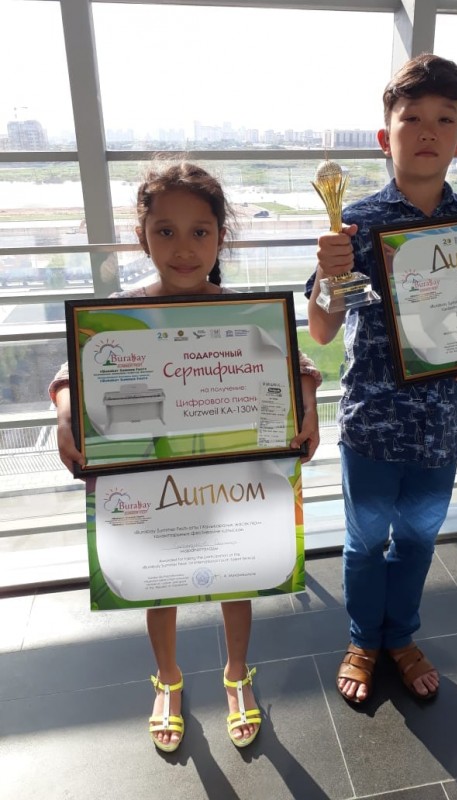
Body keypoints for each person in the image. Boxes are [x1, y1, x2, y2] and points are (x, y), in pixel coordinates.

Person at [50, 160, 322, 751]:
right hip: (155, 480)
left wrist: (307, 403)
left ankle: (236, 673)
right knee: (161, 584)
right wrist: (67, 414)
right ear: (141, 236)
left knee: (238, 573)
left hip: (232, 474)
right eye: (165, 231)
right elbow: (74, 370)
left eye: (200, 231)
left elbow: (297, 363)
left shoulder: (244, 309)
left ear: (221, 236)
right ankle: (168, 679)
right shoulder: (120, 311)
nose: (183, 248)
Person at [306, 54, 457, 705]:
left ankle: (401, 637)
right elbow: (321, 330)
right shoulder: (354, 226)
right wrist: (328, 275)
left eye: (445, 119)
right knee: (363, 544)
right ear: (386, 137)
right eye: (412, 119)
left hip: (442, 426)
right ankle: (363, 639)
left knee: (416, 541)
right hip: (371, 425)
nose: (428, 131)